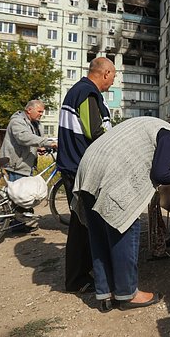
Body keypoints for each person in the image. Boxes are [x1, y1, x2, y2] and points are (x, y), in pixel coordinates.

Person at [72, 117, 170, 312]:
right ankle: (128, 294)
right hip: (110, 173)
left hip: (88, 169)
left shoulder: (145, 123)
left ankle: (106, 293)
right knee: (124, 227)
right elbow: (160, 174)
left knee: (100, 235)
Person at [56, 57, 115, 293]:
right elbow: (95, 131)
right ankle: (77, 279)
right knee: (83, 224)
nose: (112, 82)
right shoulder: (87, 92)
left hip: (74, 165)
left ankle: (82, 273)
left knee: (83, 224)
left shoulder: (77, 91)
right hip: (81, 168)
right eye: (113, 77)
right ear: (106, 73)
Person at [0, 99, 57, 232]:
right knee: (19, 195)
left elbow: (31, 141)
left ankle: (15, 220)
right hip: (17, 163)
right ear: (29, 110)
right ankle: (16, 225)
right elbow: (24, 138)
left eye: (43, 111)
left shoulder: (35, 123)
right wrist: (47, 143)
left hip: (26, 163)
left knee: (20, 194)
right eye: (40, 111)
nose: (41, 114)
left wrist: (39, 148)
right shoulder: (17, 121)